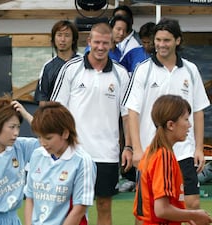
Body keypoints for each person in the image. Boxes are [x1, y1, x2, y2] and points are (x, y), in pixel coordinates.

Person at [123, 18, 210, 210]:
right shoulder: (143, 70)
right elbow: (132, 112)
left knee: (191, 203)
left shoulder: (190, 69)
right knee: (148, 208)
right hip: (152, 153)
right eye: (158, 40)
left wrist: (198, 149)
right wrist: (136, 149)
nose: (161, 45)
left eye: (167, 40)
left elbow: (198, 111)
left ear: (177, 41)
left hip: (183, 152)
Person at [50, 23, 132, 225]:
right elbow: (56, 110)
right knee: (70, 207)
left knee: (104, 205)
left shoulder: (121, 74)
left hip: (107, 153)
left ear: (112, 44)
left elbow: (128, 115)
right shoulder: (71, 69)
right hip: (74, 153)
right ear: (89, 42)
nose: (101, 47)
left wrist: (129, 146)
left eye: (106, 43)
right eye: (97, 42)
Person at [133, 94, 212, 225]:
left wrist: (187, 217)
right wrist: (195, 214)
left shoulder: (151, 152)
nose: (190, 125)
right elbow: (162, 210)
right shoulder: (163, 156)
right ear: (171, 125)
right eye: (186, 120)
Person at [24, 102, 96, 225]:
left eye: (48, 138)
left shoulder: (82, 161)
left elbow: (79, 209)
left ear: (65, 133)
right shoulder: (37, 155)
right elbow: (30, 198)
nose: (43, 143)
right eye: (39, 137)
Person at [0, 96, 39, 225]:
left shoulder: (20, 147)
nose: (16, 133)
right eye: (12, 127)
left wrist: (26, 115)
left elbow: (50, 137)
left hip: (13, 219)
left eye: (18, 127)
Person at [34, 20, 82, 105]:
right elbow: (43, 99)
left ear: (73, 39)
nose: (62, 39)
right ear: (53, 39)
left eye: (67, 35)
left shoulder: (82, 63)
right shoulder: (48, 67)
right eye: (59, 35)